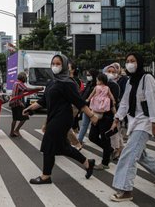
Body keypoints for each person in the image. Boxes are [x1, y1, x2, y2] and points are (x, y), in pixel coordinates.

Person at [22, 54, 98, 184]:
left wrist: (91, 115)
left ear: (64, 66)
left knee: (48, 144)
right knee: (63, 147)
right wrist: (30, 108)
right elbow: (43, 101)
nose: (55, 66)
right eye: (53, 64)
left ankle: (46, 176)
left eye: (58, 64)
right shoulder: (51, 82)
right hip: (53, 117)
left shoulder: (68, 83)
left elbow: (79, 102)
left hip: (62, 118)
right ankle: (87, 163)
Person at [109, 53, 155, 202]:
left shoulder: (147, 78)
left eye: (133, 61)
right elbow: (124, 102)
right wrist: (117, 118)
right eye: (127, 61)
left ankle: (125, 190)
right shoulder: (131, 81)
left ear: (140, 62)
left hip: (146, 122)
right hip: (135, 122)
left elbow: (154, 101)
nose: (130, 63)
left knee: (129, 154)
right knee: (141, 154)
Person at [8, 72, 41, 137]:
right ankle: (16, 130)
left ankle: (12, 132)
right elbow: (27, 89)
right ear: (23, 78)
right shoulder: (19, 83)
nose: (26, 79)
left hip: (14, 103)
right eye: (25, 77)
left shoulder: (16, 83)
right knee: (25, 117)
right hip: (17, 104)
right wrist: (37, 88)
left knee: (15, 119)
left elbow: (24, 91)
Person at [78, 69, 99, 144]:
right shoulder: (89, 84)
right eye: (87, 75)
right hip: (86, 107)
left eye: (89, 75)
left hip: (94, 109)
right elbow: (83, 95)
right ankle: (79, 140)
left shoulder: (97, 86)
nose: (87, 76)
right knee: (84, 125)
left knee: (95, 127)